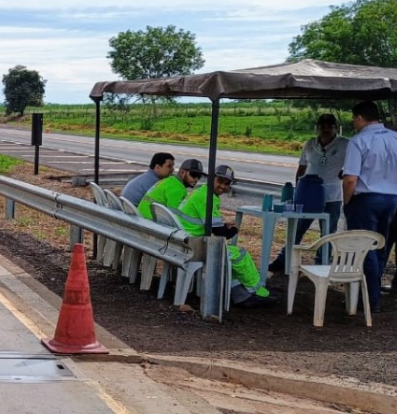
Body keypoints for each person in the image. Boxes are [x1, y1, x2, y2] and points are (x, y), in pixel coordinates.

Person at [176, 165, 276, 308]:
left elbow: (213, 224)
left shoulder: (201, 192)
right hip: (193, 245)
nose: (222, 186)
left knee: (229, 257)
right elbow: (220, 233)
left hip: (186, 240)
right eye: (220, 181)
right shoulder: (207, 198)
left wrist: (224, 227)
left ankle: (241, 296)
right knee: (240, 255)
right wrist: (234, 229)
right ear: (212, 179)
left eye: (227, 183)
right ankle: (257, 291)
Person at [267, 113, 349, 273]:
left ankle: (322, 262)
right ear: (317, 128)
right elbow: (301, 168)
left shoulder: (345, 144)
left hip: (331, 195)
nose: (326, 130)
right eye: (322, 126)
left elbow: (354, 165)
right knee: (298, 228)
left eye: (330, 126)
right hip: (309, 195)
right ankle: (284, 259)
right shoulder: (310, 144)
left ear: (335, 128)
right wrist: (298, 190)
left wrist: (344, 174)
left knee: (328, 231)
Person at [341, 100, 397, 312]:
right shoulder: (395, 138)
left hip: (367, 200)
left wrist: (347, 202)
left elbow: (350, 179)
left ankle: (370, 299)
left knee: (364, 249)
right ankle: (373, 293)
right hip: (392, 199)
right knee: (380, 245)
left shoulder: (359, 141)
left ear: (359, 118)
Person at [138, 158, 203, 220]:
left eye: (199, 176)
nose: (196, 179)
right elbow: (176, 218)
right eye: (193, 174)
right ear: (182, 172)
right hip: (150, 222)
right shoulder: (178, 189)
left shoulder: (169, 181)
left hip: (142, 217)